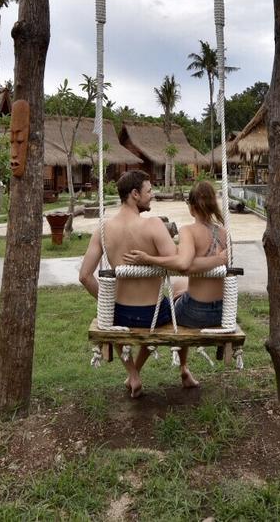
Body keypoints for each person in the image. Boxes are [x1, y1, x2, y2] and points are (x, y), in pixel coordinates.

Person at [79, 170, 182, 398]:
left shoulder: (103, 230)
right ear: (135, 194)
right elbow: (178, 262)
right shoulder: (154, 225)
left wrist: (107, 304)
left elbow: (85, 276)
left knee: (109, 316)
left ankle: (133, 374)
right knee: (180, 291)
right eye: (148, 191)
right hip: (153, 314)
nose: (152, 195)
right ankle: (175, 369)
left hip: (121, 314)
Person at [121, 180, 230, 390]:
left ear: (192, 207)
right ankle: (184, 371)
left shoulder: (189, 230)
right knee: (181, 288)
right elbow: (191, 267)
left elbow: (182, 264)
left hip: (197, 314)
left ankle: (141, 372)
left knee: (165, 311)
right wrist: (216, 260)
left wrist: (148, 258)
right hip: (221, 312)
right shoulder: (224, 232)